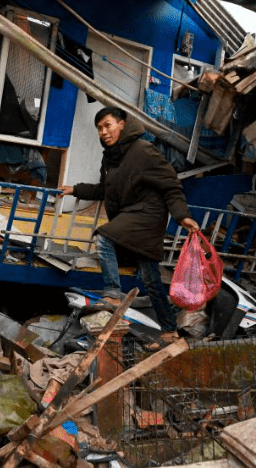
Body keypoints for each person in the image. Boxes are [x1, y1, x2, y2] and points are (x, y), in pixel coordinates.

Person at [60, 106, 199, 343]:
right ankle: (169, 332)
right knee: (151, 280)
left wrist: (181, 216)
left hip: (147, 214)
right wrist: (75, 189)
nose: (103, 132)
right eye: (99, 128)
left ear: (122, 124)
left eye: (108, 125)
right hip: (130, 216)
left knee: (104, 236)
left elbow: (171, 185)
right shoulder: (111, 158)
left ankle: (113, 293)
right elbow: (105, 190)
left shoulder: (143, 151)